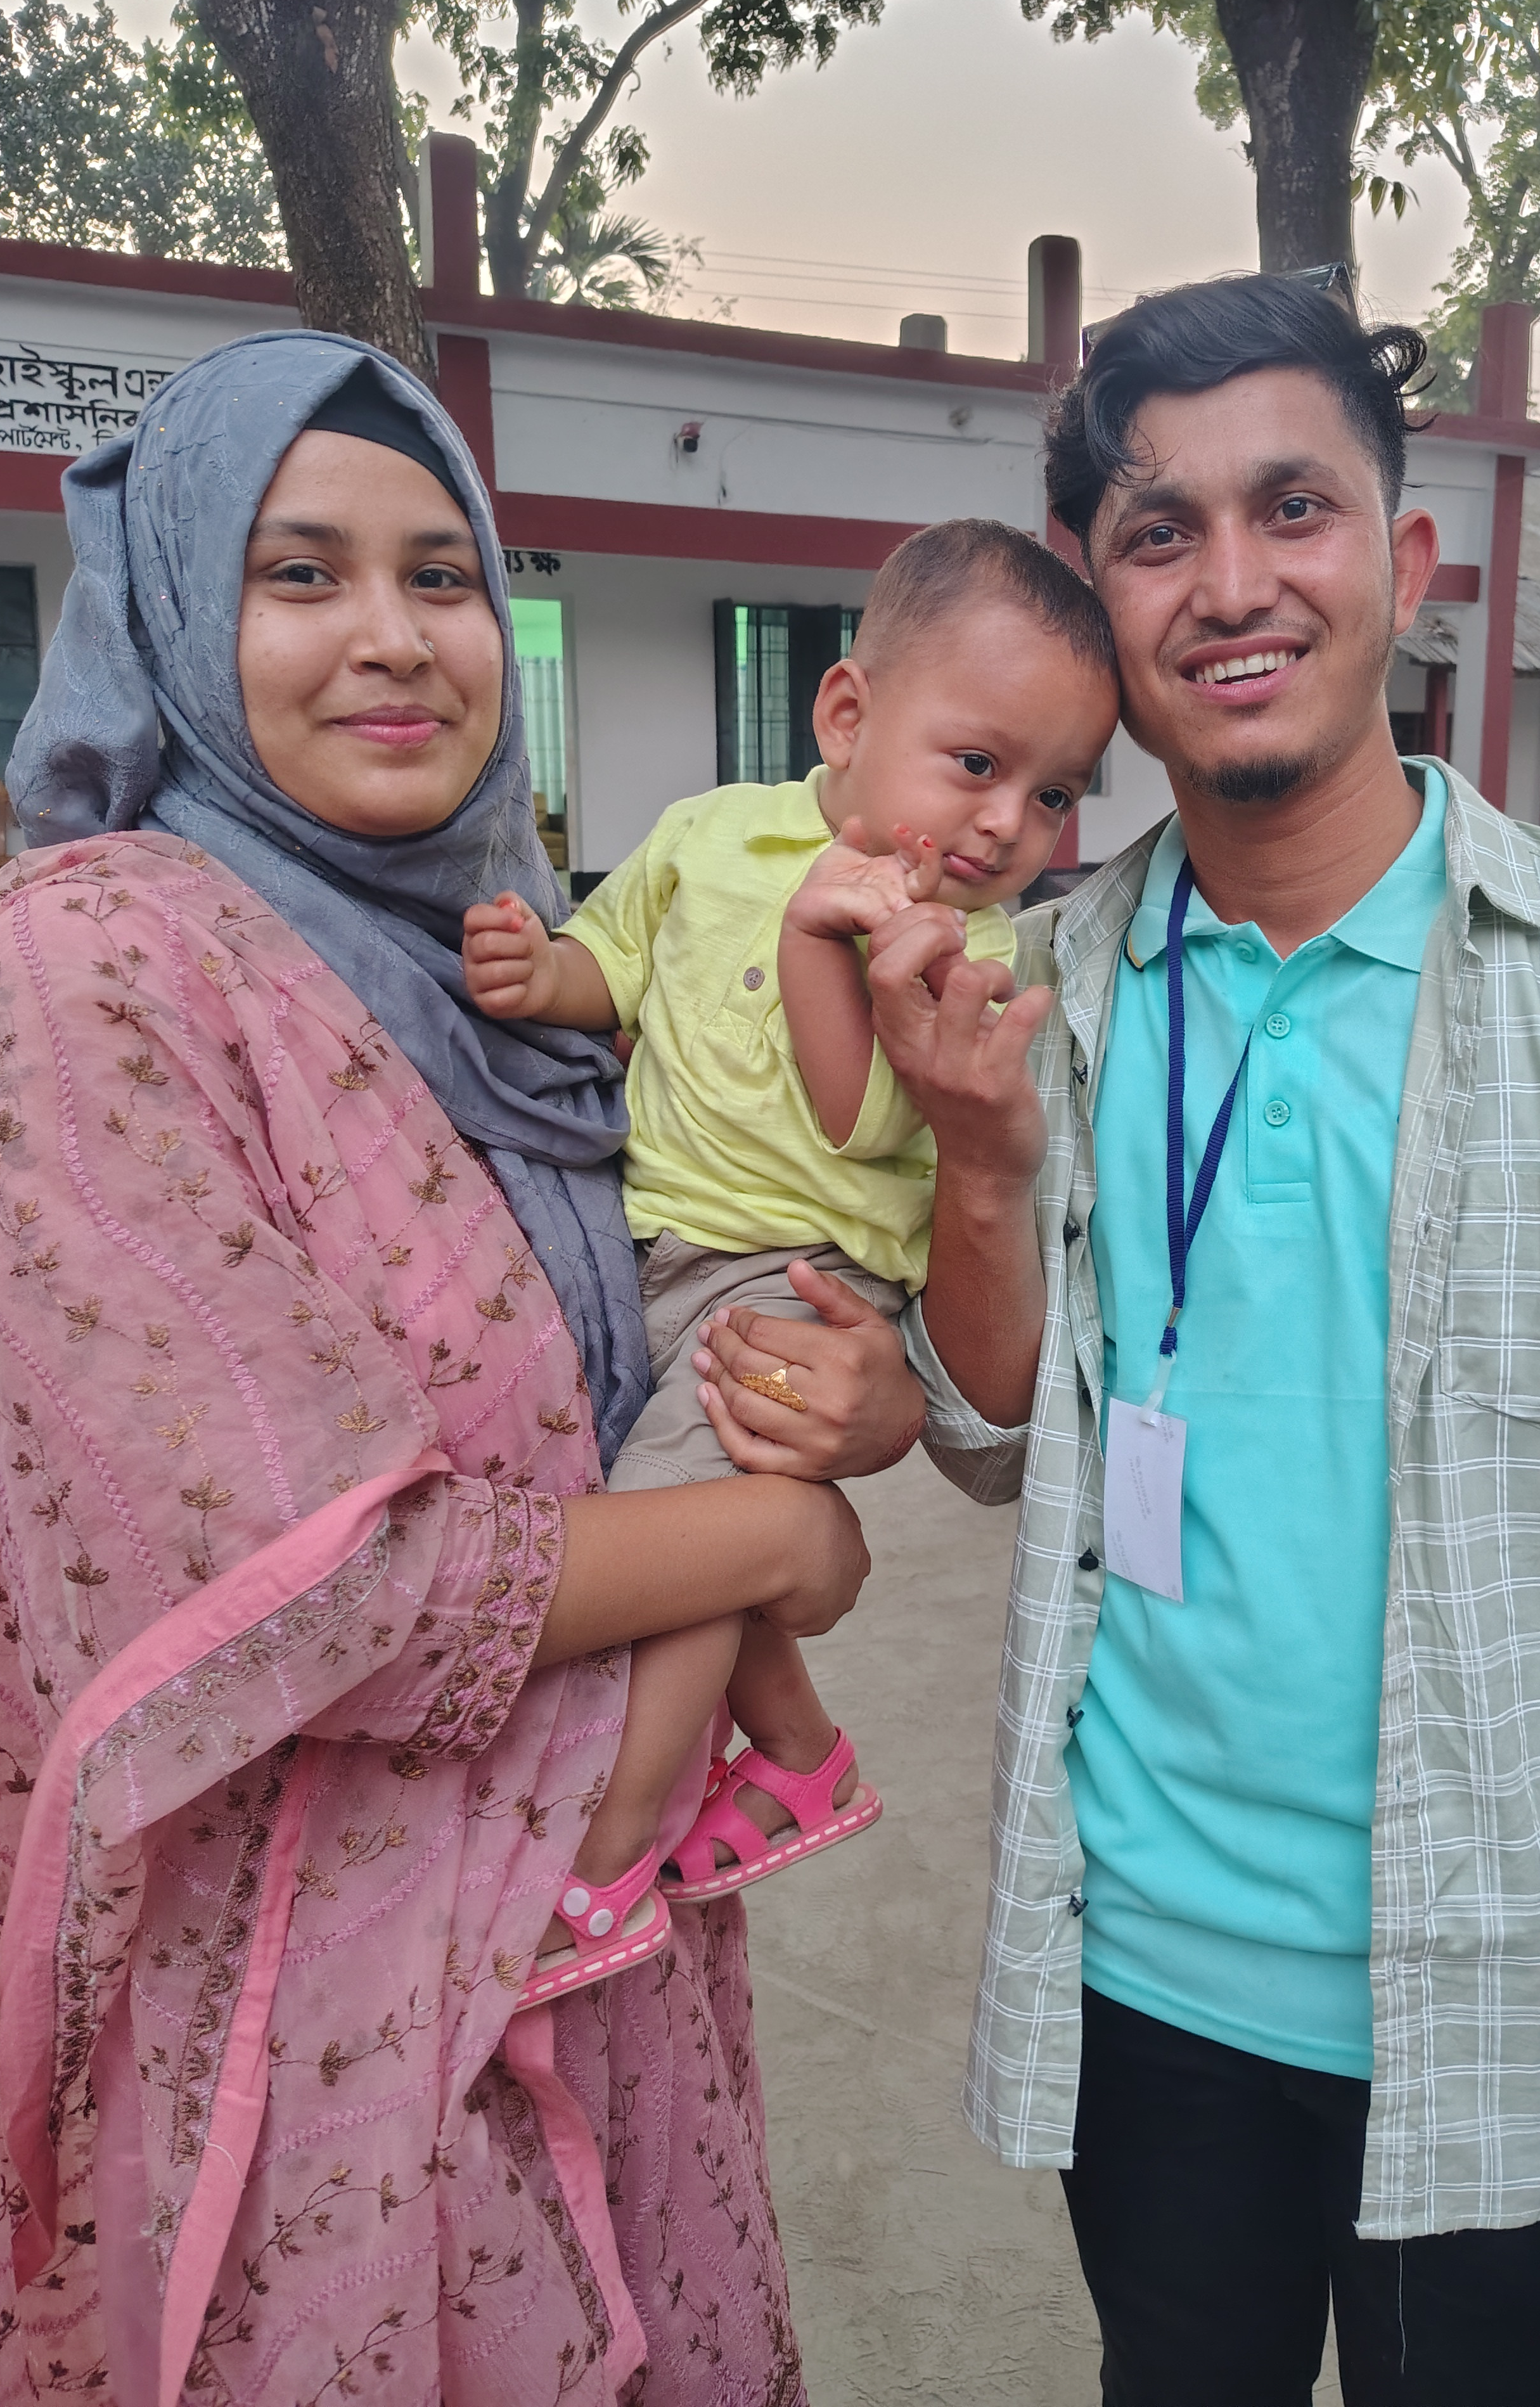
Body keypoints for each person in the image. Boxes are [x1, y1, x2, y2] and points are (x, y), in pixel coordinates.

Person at [859, 274, 1540, 2404]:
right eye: (1160, 532)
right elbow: (989, 1439)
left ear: (1403, 563)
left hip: (1527, 2012)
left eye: (1292, 509)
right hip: (1147, 1990)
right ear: (1109, 610)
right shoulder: (1045, 986)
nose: (1233, 583)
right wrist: (979, 1168)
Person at [0, 330, 923, 2406]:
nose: (393, 637)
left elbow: (680, 1344)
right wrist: (778, 1539)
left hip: (586, 1928)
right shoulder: (86, 965)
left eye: (443, 575)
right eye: (300, 574)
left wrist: (852, 1418)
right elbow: (313, 1584)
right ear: (174, 612)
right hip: (301, 2009)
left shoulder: (507, 981)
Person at [460, 521, 1119, 1986]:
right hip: (646, 1243)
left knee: (672, 1530)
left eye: (1055, 792)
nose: (1007, 823)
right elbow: (616, 959)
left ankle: (607, 1857)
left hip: (796, 1276)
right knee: (683, 1531)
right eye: (977, 762)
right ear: (846, 714)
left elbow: (858, 1114)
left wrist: (833, 943)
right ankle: (801, 1753)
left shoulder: (969, 951)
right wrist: (540, 971)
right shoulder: (709, 834)